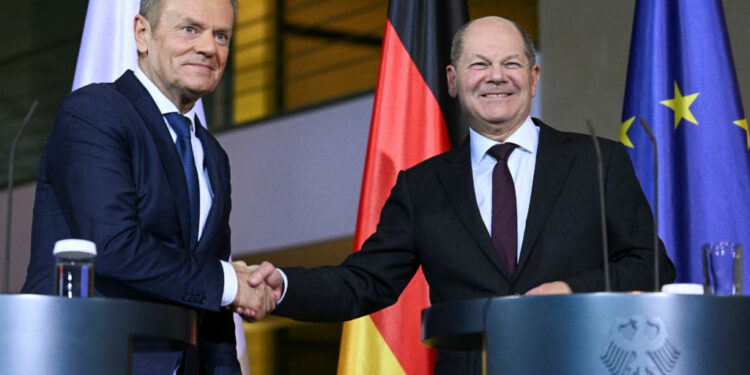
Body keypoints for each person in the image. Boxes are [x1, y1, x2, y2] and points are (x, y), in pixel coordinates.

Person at [246, 16, 676, 375]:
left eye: (511, 63)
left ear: (533, 76)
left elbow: (650, 265)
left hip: (579, 363)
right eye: (479, 64)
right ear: (453, 80)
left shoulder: (597, 161)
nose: (496, 76)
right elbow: (362, 283)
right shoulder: (421, 187)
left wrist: (570, 289)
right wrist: (281, 285)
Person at [21, 0, 274, 373]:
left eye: (221, 35)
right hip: (89, 360)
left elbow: (211, 309)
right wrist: (229, 281)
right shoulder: (94, 112)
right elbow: (112, 246)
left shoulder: (213, 155)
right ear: (142, 33)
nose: (208, 47)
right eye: (190, 29)